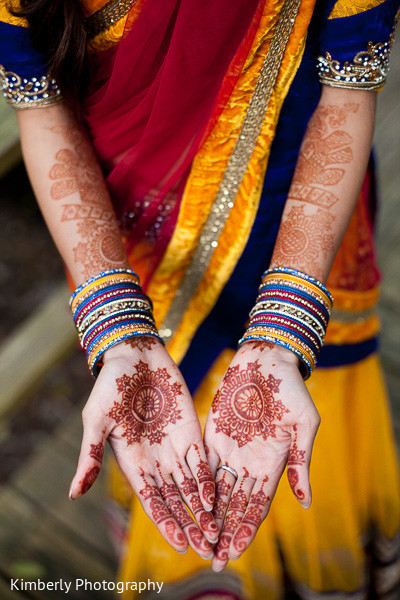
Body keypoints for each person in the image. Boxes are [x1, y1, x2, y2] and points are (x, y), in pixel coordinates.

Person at [1, 0, 400, 597]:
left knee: (302, 455)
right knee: (159, 437)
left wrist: (281, 334)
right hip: (129, 233)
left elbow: (348, 87)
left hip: (302, 222)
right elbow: (40, 106)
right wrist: (119, 330)